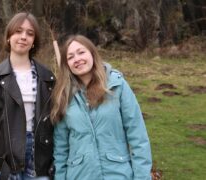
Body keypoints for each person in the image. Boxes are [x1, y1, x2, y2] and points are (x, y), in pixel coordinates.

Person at [51, 35, 152, 180]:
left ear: (92, 53)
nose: (77, 59)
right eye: (70, 57)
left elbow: (138, 136)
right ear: (67, 64)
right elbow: (60, 149)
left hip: (118, 174)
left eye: (81, 52)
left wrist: (142, 177)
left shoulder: (117, 86)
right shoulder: (64, 95)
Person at [0, 12, 55, 180]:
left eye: (30, 33)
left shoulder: (48, 78)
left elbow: (55, 124)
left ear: (34, 42)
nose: (23, 37)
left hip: (39, 161)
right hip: (4, 161)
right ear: (9, 37)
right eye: (18, 31)